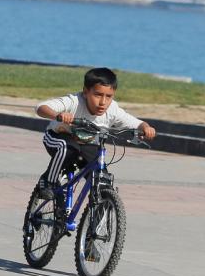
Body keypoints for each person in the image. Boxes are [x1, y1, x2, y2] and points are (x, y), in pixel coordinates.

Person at [35, 67, 157, 200]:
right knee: (67, 148)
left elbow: (135, 123)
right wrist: (58, 115)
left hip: (88, 143)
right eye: (98, 95)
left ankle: (99, 207)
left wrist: (146, 127)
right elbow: (41, 108)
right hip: (57, 137)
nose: (103, 102)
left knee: (102, 179)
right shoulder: (74, 101)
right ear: (86, 92)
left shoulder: (112, 109)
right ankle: (48, 181)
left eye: (108, 96)